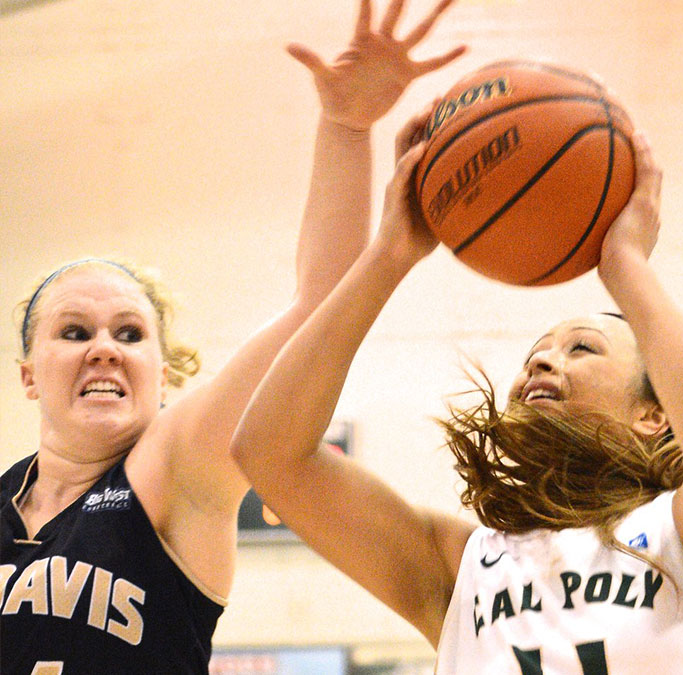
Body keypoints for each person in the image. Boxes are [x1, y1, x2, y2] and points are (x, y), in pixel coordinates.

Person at [0, 1, 464, 671]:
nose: (104, 346)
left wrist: (344, 128)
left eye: (130, 333)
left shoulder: (174, 468)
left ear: (163, 374)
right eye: (74, 331)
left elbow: (317, 305)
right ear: (28, 374)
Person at [229, 115, 683, 673]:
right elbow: (270, 452)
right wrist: (390, 252)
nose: (541, 360)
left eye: (582, 349)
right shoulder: (461, 562)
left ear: (653, 414)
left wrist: (626, 267)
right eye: (535, 354)